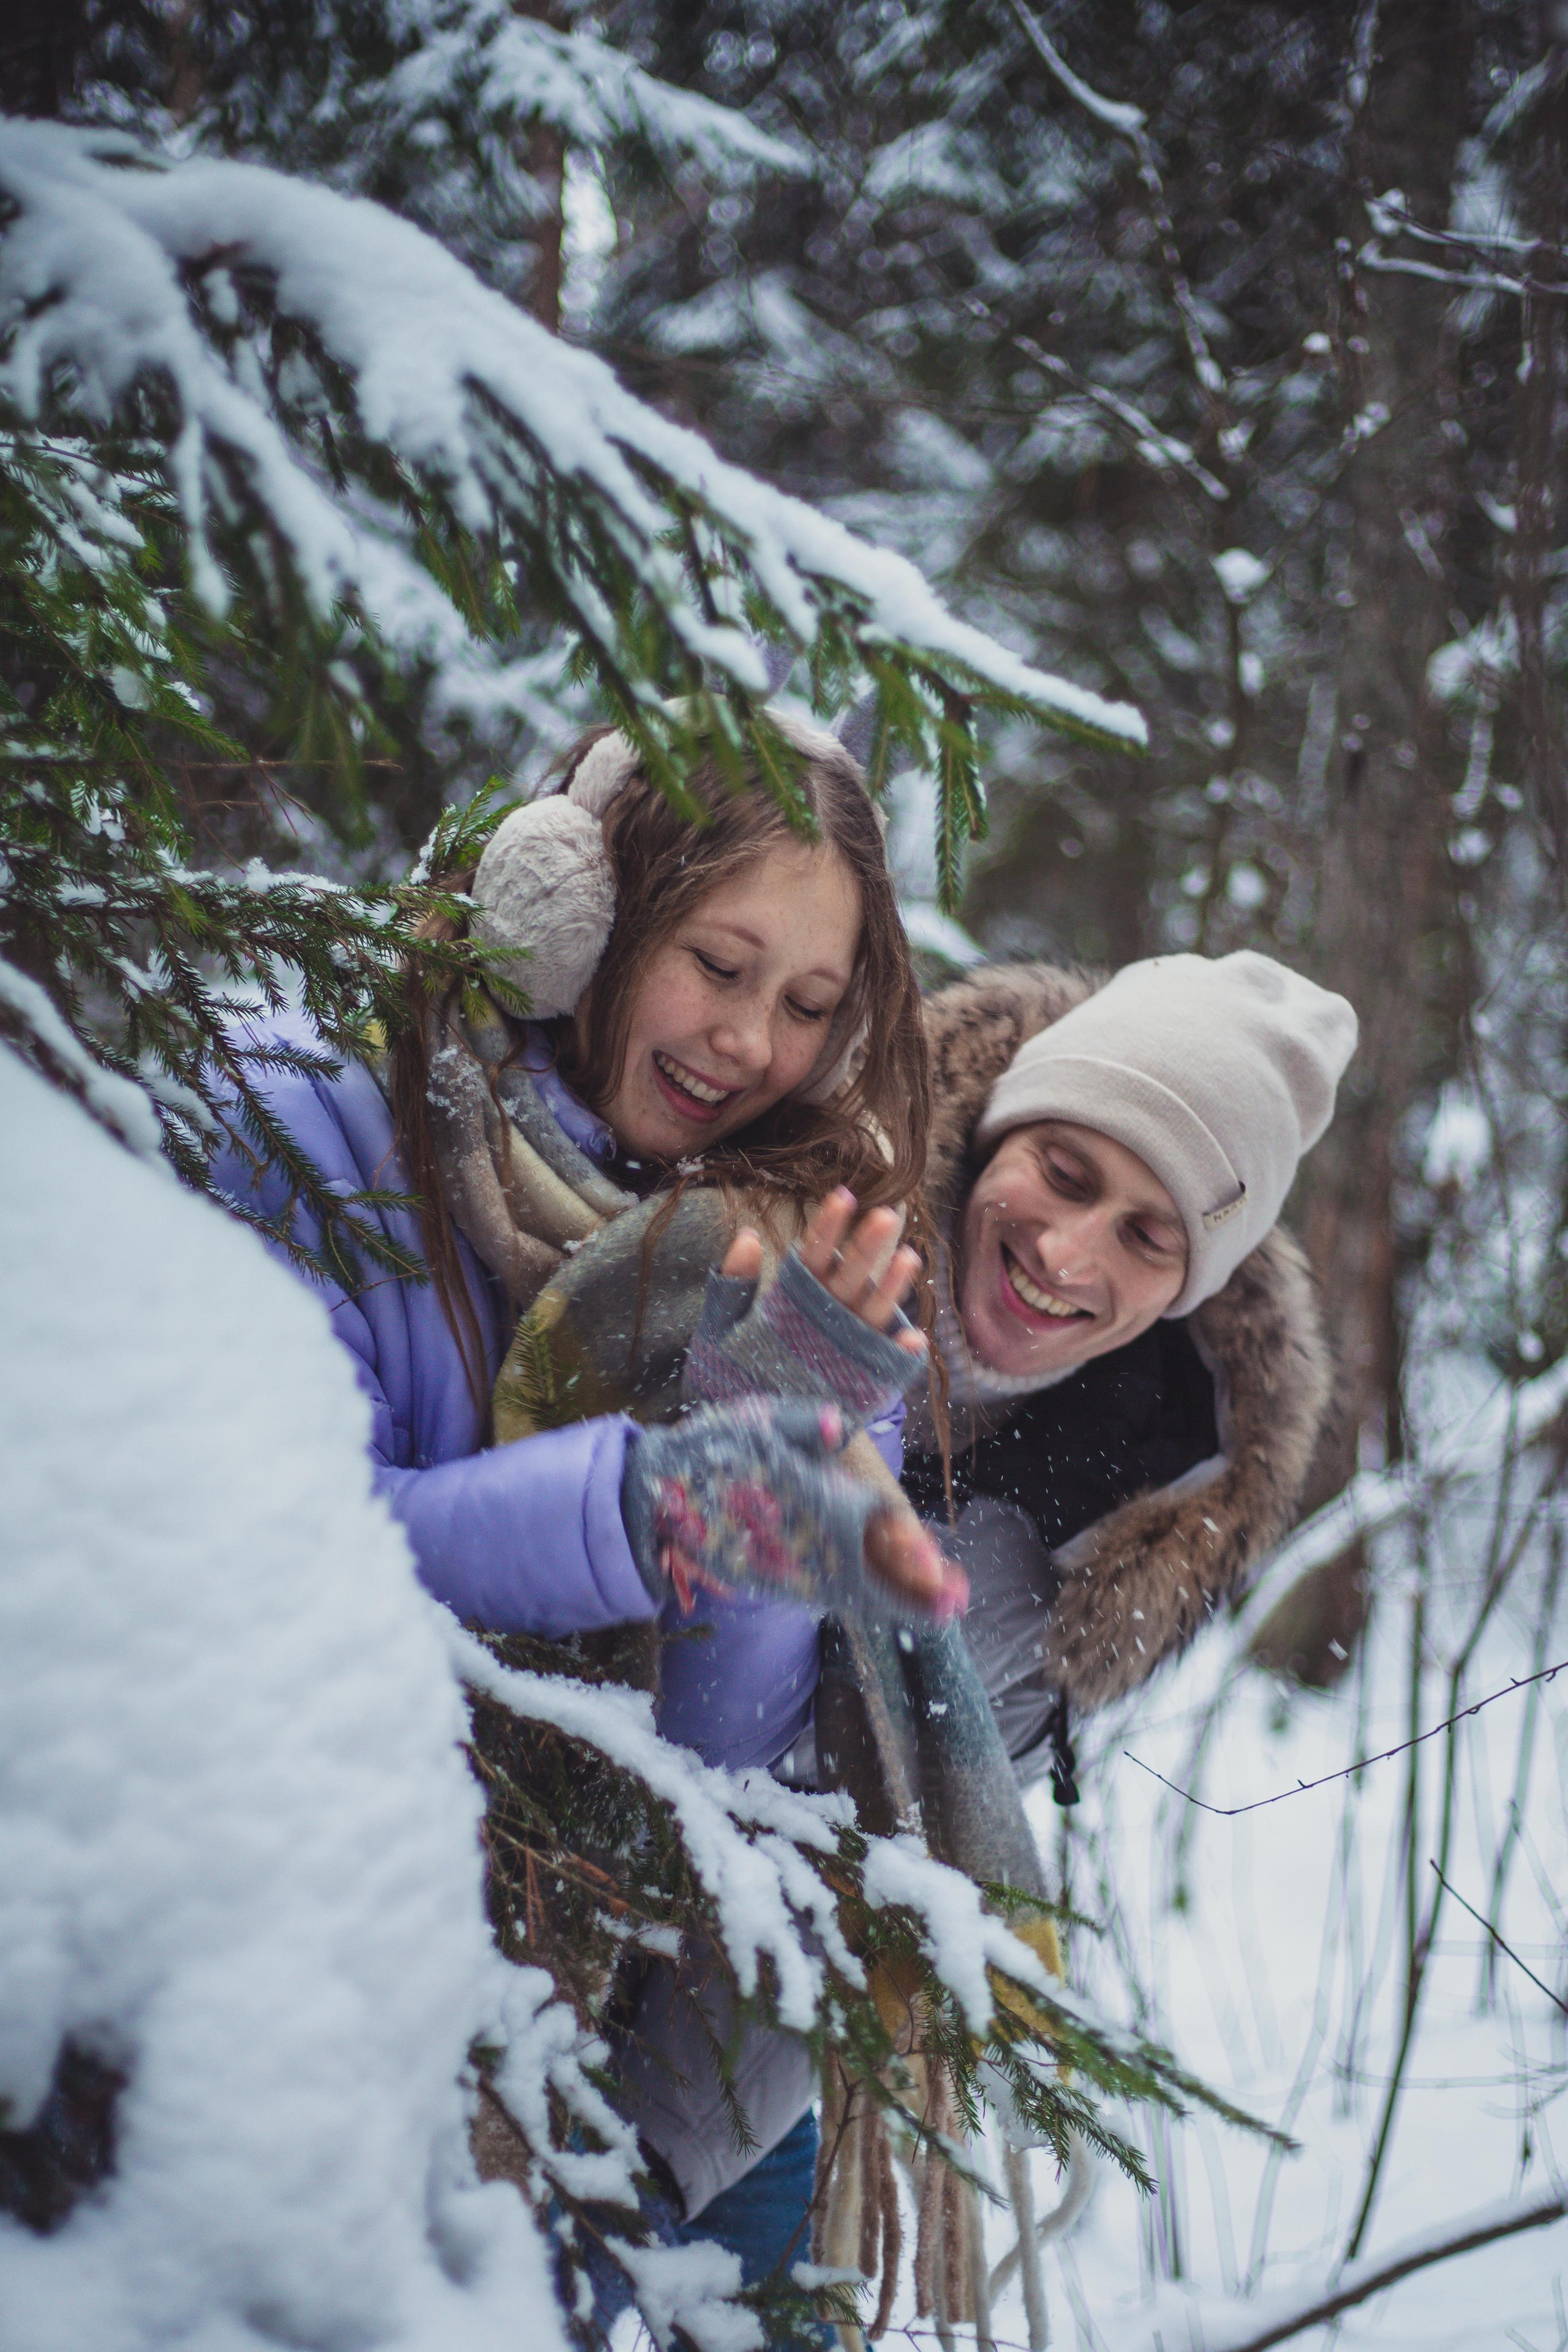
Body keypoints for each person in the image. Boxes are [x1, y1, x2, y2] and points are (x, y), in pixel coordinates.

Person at [209, 709, 962, 2329]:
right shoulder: (319, 1124)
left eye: (809, 1004)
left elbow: (718, 1762)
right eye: (719, 960)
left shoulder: (803, 1246)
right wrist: (650, 1497)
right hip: (273, 1944)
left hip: (576, 2025)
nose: (748, 1041)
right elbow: (267, 1542)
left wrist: (763, 1453)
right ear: (585, 917)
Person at [901, 948, 1358, 1792]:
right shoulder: (781, 1207)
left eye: (1148, 1239)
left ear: (1190, 1290)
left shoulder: (1108, 1533)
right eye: (1064, 1174)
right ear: (998, 1130)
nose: (1065, 1256)